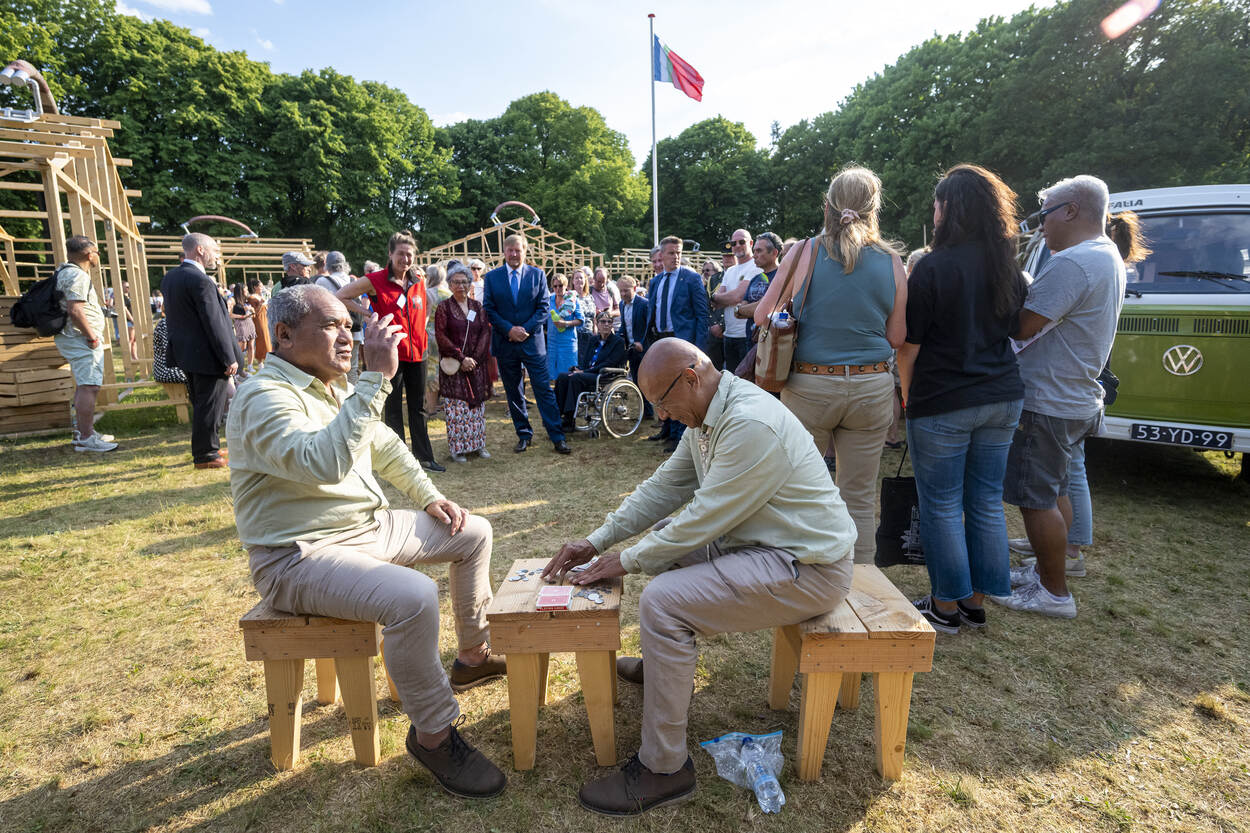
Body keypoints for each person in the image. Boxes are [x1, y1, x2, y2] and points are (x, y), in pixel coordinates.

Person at [543, 338, 856, 817]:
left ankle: (664, 767)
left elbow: (704, 519)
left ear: (691, 377)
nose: (661, 415)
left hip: (810, 567)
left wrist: (626, 560)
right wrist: (597, 540)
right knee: (663, 543)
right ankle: (663, 670)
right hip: (770, 546)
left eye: (663, 402)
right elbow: (666, 487)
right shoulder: (711, 413)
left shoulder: (749, 424)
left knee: (663, 600)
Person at [225, 284, 507, 799]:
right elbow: (323, 464)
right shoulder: (263, 397)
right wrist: (375, 380)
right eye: (331, 326)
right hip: (297, 556)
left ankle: (472, 655)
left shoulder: (330, 387)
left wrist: (429, 496)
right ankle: (434, 736)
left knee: (473, 532)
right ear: (283, 335)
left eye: (348, 326)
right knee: (413, 597)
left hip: (364, 531)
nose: (346, 337)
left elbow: (383, 445)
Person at [892, 165, 1028, 633]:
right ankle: (974, 602)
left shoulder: (932, 266)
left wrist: (907, 396)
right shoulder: (1007, 265)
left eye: (937, 203)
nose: (933, 210)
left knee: (942, 504)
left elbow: (908, 346)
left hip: (944, 399)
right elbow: (1016, 329)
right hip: (1002, 395)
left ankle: (945, 607)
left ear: (949, 208)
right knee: (986, 501)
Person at [753, 166, 906, 564]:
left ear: (828, 207)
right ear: (873, 209)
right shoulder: (892, 261)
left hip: (810, 386)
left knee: (797, 491)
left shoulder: (804, 251)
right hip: (871, 387)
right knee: (858, 497)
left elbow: (763, 315)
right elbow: (896, 337)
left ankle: (798, 576)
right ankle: (861, 581)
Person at [994, 175, 1127, 619]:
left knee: (1036, 499)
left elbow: (1022, 326)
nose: (1041, 225)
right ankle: (1047, 572)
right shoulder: (1105, 254)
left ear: (1071, 211)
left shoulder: (1075, 262)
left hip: (1048, 399)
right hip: (1075, 396)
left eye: (1045, 213)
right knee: (1056, 490)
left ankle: (1053, 593)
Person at [333, 231, 443, 472]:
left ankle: (424, 458)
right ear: (390, 254)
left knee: (418, 406)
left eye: (410, 254)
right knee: (393, 408)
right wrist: (370, 313)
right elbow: (341, 295)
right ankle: (399, 462)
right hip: (391, 351)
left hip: (418, 352)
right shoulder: (375, 280)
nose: (405, 259)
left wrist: (421, 328)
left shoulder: (418, 280)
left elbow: (424, 307)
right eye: (400, 254)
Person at [481, 233, 571, 455]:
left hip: (532, 343)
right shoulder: (492, 278)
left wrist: (524, 330)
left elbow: (543, 307)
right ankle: (523, 434)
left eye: (518, 250)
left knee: (543, 389)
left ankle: (557, 436)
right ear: (504, 252)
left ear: (524, 251)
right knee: (513, 391)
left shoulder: (537, 275)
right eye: (510, 250)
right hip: (505, 343)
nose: (514, 254)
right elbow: (489, 309)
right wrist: (509, 330)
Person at [161, 233, 241, 468]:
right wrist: (228, 357)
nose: (217, 256)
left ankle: (208, 447)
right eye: (214, 250)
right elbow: (213, 322)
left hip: (186, 353)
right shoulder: (201, 280)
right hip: (208, 354)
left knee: (201, 403)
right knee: (210, 405)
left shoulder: (171, 278)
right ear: (200, 250)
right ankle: (206, 454)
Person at [50, 235, 117, 452]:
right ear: (89, 255)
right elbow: (75, 310)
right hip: (80, 339)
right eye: (97, 252)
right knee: (89, 386)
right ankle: (87, 439)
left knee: (84, 384)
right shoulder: (77, 275)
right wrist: (92, 337)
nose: (98, 256)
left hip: (73, 337)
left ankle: (84, 432)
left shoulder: (64, 271)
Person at [645, 236, 709, 453]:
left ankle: (680, 437)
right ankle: (666, 429)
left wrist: (699, 348)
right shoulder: (656, 281)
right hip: (660, 340)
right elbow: (652, 311)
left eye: (679, 253)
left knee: (681, 389)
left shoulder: (691, 278)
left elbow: (702, 315)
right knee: (663, 386)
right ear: (661, 255)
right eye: (671, 253)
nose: (676, 257)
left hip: (683, 343)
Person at [435, 263, 493, 463]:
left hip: (475, 365)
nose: (461, 286)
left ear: (470, 284)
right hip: (455, 364)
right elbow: (441, 335)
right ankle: (458, 449)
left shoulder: (477, 307)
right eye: (456, 282)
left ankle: (478, 444)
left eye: (465, 282)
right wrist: (461, 358)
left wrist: (474, 359)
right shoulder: (443, 307)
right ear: (450, 285)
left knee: (476, 407)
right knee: (457, 407)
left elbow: (485, 332)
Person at [555, 312, 626, 428]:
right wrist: (579, 368)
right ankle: (557, 414)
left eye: (609, 322)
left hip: (604, 375)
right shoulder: (593, 339)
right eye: (603, 321)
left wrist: (583, 372)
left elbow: (609, 363)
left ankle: (569, 418)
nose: (606, 324)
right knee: (562, 376)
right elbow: (586, 359)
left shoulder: (618, 342)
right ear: (597, 324)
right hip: (588, 373)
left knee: (576, 378)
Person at [711, 229, 755, 373]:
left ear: (751, 243)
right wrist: (722, 298)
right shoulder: (730, 271)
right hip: (729, 335)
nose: (737, 246)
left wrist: (720, 298)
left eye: (742, 242)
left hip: (746, 336)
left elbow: (737, 296)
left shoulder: (755, 266)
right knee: (731, 378)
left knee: (747, 379)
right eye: (733, 243)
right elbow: (716, 302)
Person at [314, 252, 363, 383]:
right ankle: (353, 393)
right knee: (352, 367)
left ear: (327, 265)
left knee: (333, 366)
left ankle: (337, 394)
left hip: (334, 333)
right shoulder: (354, 281)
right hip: (355, 331)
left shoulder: (322, 281)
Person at [733, 231, 783, 343]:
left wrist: (740, 309)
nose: (754, 255)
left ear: (774, 252)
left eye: (759, 251)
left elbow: (765, 309)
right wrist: (743, 309)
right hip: (750, 340)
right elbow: (739, 312)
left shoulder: (783, 277)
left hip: (770, 343)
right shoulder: (756, 278)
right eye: (754, 250)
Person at [545, 273, 581, 380]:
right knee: (552, 375)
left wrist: (566, 323)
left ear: (566, 286)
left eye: (560, 285)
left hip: (568, 343)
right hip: (552, 343)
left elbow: (580, 320)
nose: (558, 288)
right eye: (555, 286)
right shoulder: (549, 300)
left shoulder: (572, 300)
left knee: (568, 375)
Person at [229, 282, 257, 377]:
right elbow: (229, 314)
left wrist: (252, 311)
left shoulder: (246, 299)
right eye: (245, 290)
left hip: (249, 322)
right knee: (241, 346)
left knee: (251, 345)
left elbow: (254, 312)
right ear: (241, 291)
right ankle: (238, 369)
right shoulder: (232, 300)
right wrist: (241, 316)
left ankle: (250, 366)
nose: (247, 291)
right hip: (240, 324)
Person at [701, 258, 725, 370]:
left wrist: (721, 325)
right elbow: (706, 308)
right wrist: (713, 325)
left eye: (708, 270)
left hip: (725, 328)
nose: (705, 273)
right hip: (712, 331)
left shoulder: (723, 284)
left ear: (716, 271)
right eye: (703, 271)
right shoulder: (704, 288)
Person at [246, 279, 271, 366]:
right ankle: (260, 360)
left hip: (265, 318)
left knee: (267, 338)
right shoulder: (252, 298)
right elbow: (254, 311)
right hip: (258, 320)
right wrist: (261, 303)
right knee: (261, 338)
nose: (262, 287)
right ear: (255, 287)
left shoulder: (260, 296)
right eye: (260, 286)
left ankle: (266, 358)